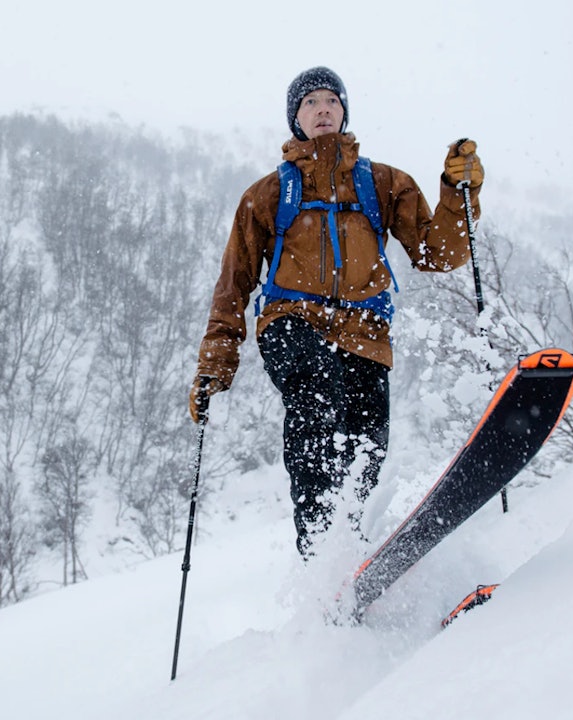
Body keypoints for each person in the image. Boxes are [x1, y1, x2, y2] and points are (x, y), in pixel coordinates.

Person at [188, 66, 484, 557]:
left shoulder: (384, 183)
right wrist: (214, 364)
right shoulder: (266, 195)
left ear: (344, 112)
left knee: (366, 446)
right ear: (295, 118)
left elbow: (438, 254)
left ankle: (349, 552)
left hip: (366, 331)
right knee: (316, 400)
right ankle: (319, 546)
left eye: (331, 100)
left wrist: (459, 195)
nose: (322, 109)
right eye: (310, 102)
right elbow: (233, 285)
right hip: (291, 322)